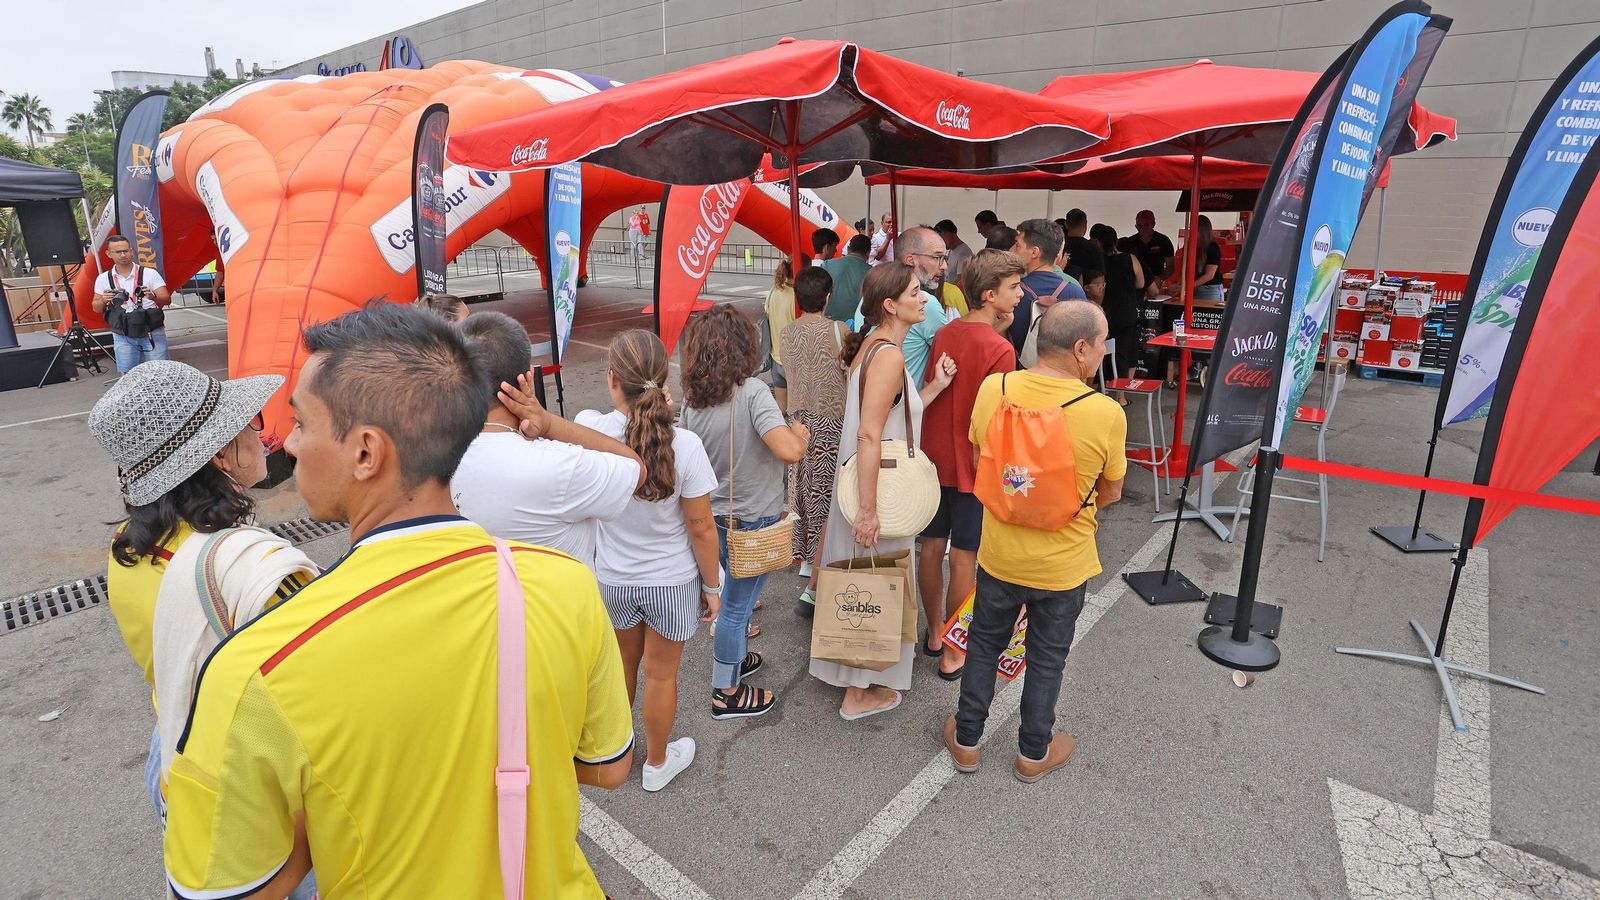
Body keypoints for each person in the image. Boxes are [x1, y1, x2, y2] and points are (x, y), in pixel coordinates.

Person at [162, 302, 635, 899]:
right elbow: (608, 766)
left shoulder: (258, 667)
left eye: (302, 423)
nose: (290, 443)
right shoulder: (564, 584)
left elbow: (224, 887)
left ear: (366, 452)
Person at [90, 361, 321, 899]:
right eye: (250, 420)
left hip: (173, 756)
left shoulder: (128, 547)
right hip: (255, 791)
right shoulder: (244, 570)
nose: (265, 434)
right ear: (218, 454)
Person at [945, 301, 1126, 784]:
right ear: (1081, 347)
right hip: (1063, 565)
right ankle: (1032, 753)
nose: (1105, 351)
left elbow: (984, 452)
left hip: (1000, 555)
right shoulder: (1105, 412)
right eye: (1102, 341)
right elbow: (1111, 492)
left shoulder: (996, 388)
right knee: (1048, 657)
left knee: (983, 646)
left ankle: (966, 741)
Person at [576, 330, 723, 792]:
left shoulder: (592, 432)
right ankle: (658, 764)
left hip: (614, 578)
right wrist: (714, 588)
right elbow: (701, 528)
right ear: (663, 379)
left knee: (620, 667)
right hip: (671, 582)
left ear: (613, 379)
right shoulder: (687, 446)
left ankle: (614, 753)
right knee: (662, 674)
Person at [811, 262, 956, 719]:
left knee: (866, 579)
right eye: (916, 292)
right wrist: (870, 510)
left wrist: (933, 387)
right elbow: (870, 435)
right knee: (875, 581)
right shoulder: (890, 355)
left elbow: (892, 416)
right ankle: (858, 691)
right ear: (891, 304)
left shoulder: (875, 346)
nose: (925, 299)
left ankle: (856, 678)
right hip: (876, 488)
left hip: (862, 483)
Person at [679, 305, 810, 719]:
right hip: (753, 520)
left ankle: (733, 661)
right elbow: (788, 451)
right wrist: (801, 434)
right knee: (735, 609)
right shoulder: (752, 392)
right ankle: (727, 692)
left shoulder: (692, 400)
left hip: (711, 518)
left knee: (733, 599)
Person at [450, 312, 645, 568]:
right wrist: (549, 423)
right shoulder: (562, 464)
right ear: (528, 378)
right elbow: (636, 469)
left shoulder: (430, 459)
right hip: (561, 607)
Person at [918, 250, 1024, 680]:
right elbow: (999, 420)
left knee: (929, 547)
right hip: (972, 464)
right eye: (1014, 288)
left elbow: (934, 385)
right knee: (964, 557)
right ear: (989, 294)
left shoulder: (946, 332)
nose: (1021, 294)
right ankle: (954, 653)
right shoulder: (1000, 350)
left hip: (932, 455)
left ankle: (933, 636)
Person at [781, 267, 849, 611]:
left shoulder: (786, 332)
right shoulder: (838, 330)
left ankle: (806, 558)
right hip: (830, 418)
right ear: (827, 296)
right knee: (826, 490)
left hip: (797, 418)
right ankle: (819, 561)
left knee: (801, 489)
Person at [852, 227, 955, 387]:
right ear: (910, 260)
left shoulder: (869, 295)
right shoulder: (925, 302)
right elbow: (954, 355)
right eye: (937, 257)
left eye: (945, 258)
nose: (944, 266)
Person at [92, 234, 173, 373]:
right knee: (128, 376)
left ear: (131, 250)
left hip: (151, 329)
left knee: (161, 373)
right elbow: (96, 308)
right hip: (123, 333)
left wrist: (153, 297)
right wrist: (103, 300)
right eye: (118, 252)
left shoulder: (149, 273)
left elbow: (166, 299)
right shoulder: (103, 278)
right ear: (108, 254)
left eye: (126, 250)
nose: (123, 255)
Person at [1008, 219, 1087, 358]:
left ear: (1034, 252)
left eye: (1017, 245)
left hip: (1023, 372)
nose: (1012, 250)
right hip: (1064, 374)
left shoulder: (1014, 292)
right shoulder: (1075, 290)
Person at [1092, 223, 1146, 383]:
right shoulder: (1131, 258)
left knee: (1098, 352)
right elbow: (1141, 284)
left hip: (1103, 312)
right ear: (1115, 241)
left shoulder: (1098, 261)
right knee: (1122, 353)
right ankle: (1120, 396)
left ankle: (1097, 388)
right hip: (1126, 311)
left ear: (1099, 242)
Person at [764, 259, 798, 410]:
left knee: (782, 410)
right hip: (793, 362)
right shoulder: (797, 298)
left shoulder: (774, 290)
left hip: (775, 358)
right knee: (796, 413)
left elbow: (767, 312)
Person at [1122, 209, 1175, 298]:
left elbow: (1171, 266)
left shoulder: (1163, 241)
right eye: (1139, 226)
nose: (1142, 229)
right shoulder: (1131, 242)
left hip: (1155, 283)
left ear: (1153, 224)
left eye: (1146, 225)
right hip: (1135, 284)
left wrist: (1160, 278)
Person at [822, 233, 871, 324]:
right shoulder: (872, 273)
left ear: (848, 249)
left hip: (829, 322)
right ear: (868, 253)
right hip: (858, 326)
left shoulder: (827, 265)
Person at [1062, 208, 1104, 286]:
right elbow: (1100, 277)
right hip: (1085, 293)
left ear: (1066, 224)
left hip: (1059, 290)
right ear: (1085, 224)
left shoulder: (1058, 247)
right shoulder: (1094, 249)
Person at [1189, 214, 1225, 301]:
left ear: (1201, 230)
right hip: (1197, 288)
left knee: (1208, 313)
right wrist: (1179, 285)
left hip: (1210, 289)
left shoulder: (1212, 247)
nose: (1190, 231)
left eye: (1193, 228)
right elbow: (1187, 270)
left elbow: (1209, 275)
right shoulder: (1193, 246)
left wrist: (1187, 287)